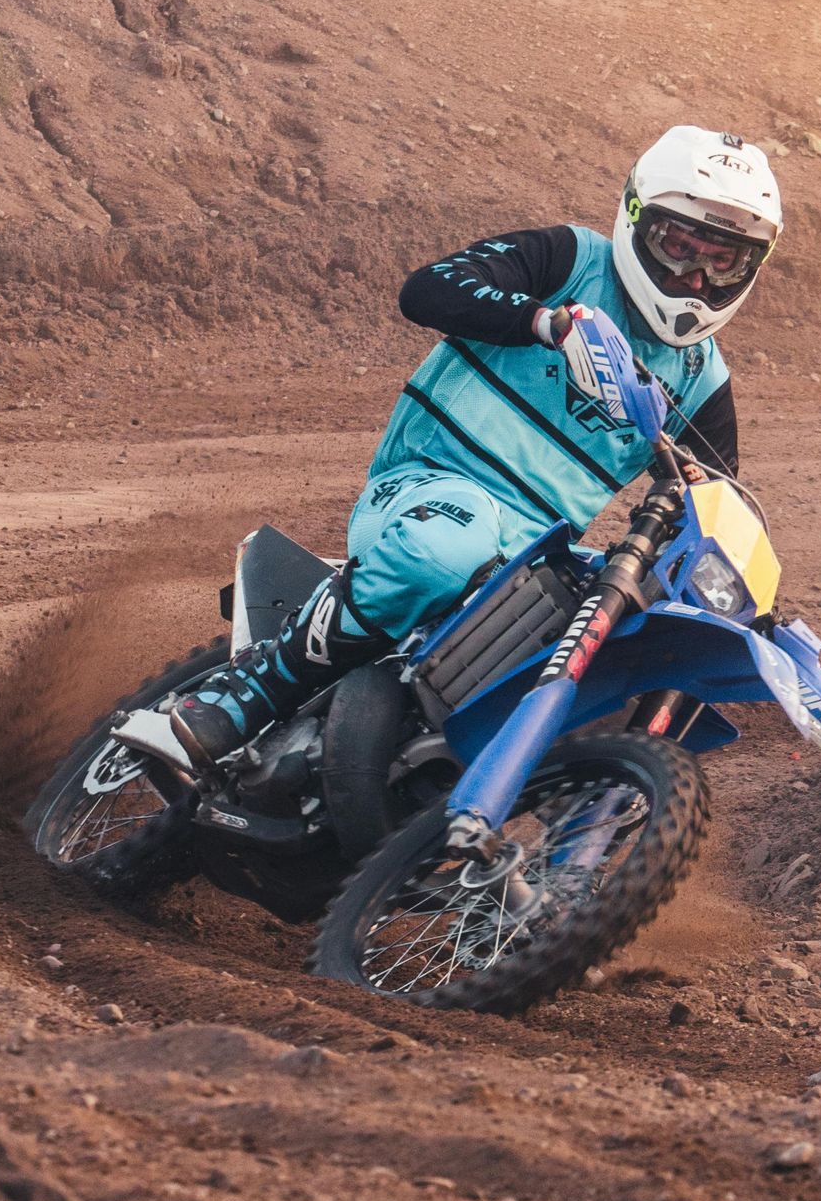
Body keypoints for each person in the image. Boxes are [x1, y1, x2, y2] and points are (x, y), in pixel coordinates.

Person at [168, 124, 783, 772]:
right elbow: (427, 289)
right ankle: (255, 687)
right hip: (423, 488)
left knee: (633, 640)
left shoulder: (702, 381)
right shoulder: (570, 261)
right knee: (453, 541)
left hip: (526, 558)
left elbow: (719, 505)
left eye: (721, 261)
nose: (693, 278)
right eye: (680, 246)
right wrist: (544, 322)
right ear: (636, 218)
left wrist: (754, 612)